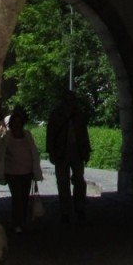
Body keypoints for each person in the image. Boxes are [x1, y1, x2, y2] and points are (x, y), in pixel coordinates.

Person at [47, 90, 91, 223]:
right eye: (68, 100)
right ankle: (65, 211)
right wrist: (51, 151)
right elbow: (51, 133)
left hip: (76, 151)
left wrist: (86, 150)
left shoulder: (78, 114)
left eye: (72, 100)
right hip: (61, 151)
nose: (70, 102)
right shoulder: (57, 114)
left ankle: (79, 208)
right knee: (62, 182)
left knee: (79, 180)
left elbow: (83, 133)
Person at [0, 107, 41, 234]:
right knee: (17, 198)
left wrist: (35, 170)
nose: (17, 125)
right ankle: (16, 222)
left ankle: (21, 221)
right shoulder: (7, 137)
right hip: (13, 172)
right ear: (11, 123)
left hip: (26, 172)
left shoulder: (27, 135)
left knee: (24, 198)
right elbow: (1, 154)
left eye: (19, 122)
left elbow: (33, 152)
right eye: (15, 122)